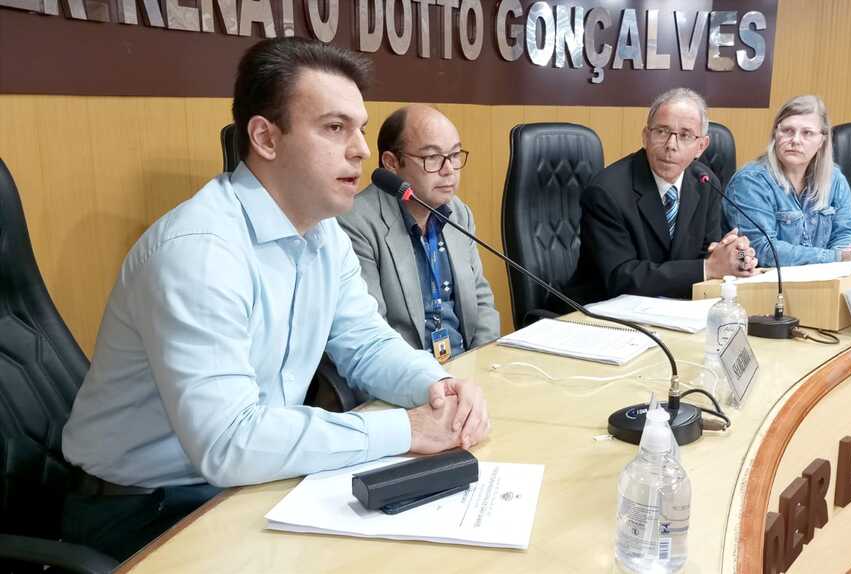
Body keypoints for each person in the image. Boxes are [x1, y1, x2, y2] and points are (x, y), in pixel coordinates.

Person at [60, 38, 489, 560]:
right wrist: (405, 427)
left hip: (244, 481)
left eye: (359, 129)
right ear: (265, 137)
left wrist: (436, 386)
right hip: (144, 510)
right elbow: (229, 442)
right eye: (335, 128)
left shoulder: (324, 233)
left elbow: (367, 344)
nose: (359, 148)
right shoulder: (200, 250)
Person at [338, 105, 499, 362]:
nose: (449, 170)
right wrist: (435, 383)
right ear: (391, 163)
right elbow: (370, 332)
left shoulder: (459, 213)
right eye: (432, 158)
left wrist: (483, 364)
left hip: (469, 369)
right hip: (407, 379)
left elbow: (481, 302)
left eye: (455, 154)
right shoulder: (357, 223)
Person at [567, 88, 757, 304]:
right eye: (661, 132)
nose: (671, 146)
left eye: (685, 135)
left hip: (673, 310)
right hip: (604, 313)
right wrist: (708, 268)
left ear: (701, 147)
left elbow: (709, 251)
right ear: (646, 137)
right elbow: (621, 277)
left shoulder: (705, 182)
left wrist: (734, 256)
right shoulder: (607, 191)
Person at [723, 95, 851, 266]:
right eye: (787, 130)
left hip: (826, 280)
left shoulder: (834, 179)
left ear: (822, 141)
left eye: (807, 133)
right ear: (775, 133)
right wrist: (835, 258)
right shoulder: (750, 182)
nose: (795, 140)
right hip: (768, 285)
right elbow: (763, 250)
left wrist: (843, 257)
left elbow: (846, 234)